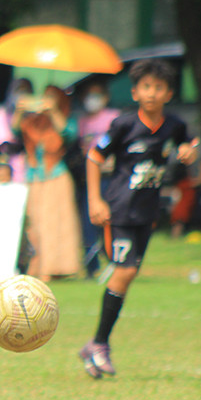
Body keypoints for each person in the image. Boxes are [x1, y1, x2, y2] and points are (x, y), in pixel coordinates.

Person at [79, 59, 198, 378]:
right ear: (135, 92)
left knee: (127, 277)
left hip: (146, 213)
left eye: (159, 88)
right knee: (125, 272)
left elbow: (189, 141)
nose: (152, 93)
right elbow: (94, 156)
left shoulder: (173, 125)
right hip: (118, 211)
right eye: (146, 87)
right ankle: (100, 344)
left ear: (169, 93)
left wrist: (189, 151)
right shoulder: (123, 125)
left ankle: (95, 345)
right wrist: (95, 199)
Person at [16, 84, 82, 282]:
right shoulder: (32, 122)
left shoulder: (65, 120)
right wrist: (21, 108)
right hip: (34, 178)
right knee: (33, 225)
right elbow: (15, 129)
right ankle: (36, 266)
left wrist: (53, 111)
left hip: (56, 177)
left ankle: (53, 268)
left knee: (53, 224)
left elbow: (68, 134)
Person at [74, 81, 121, 275]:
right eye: (89, 95)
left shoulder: (114, 117)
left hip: (112, 176)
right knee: (89, 221)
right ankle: (91, 266)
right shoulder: (82, 121)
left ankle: (115, 261)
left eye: (97, 94)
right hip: (91, 178)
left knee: (113, 220)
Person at [0, 78, 33, 182]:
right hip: (11, 161)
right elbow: (6, 139)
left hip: (31, 162)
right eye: (19, 90)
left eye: (26, 90)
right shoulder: (2, 113)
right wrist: (18, 112)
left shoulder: (33, 114)